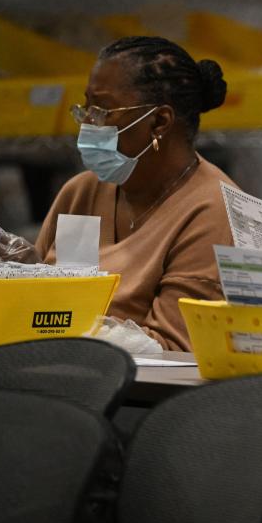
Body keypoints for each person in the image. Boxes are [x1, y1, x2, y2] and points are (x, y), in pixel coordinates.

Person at [36, 36, 236, 351]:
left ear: (159, 122)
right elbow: (31, 305)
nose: (88, 123)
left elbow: (172, 349)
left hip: (139, 394)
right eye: (86, 108)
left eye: (103, 110)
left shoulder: (213, 211)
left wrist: (64, 334)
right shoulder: (81, 193)